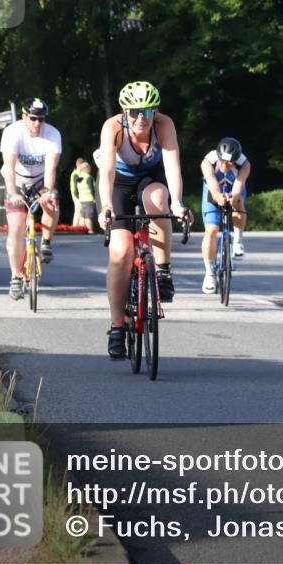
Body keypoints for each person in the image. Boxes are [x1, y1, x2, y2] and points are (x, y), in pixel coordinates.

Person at [98, 80, 190, 359]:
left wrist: (178, 203)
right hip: (119, 185)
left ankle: (162, 270)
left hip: (151, 178)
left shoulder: (164, 125)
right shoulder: (113, 127)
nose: (141, 118)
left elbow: (172, 167)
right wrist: (105, 206)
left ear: (155, 112)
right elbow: (107, 172)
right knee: (121, 253)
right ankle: (117, 326)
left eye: (147, 111)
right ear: (124, 113)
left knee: (160, 202)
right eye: (135, 112)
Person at [0, 98, 61, 300]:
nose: (37, 123)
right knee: (16, 229)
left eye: (41, 119)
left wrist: (48, 192)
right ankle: (15, 277)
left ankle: (46, 242)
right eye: (33, 118)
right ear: (24, 117)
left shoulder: (52, 134)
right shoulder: (12, 132)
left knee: (52, 202)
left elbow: (51, 168)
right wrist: (12, 192)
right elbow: (9, 167)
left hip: (40, 180)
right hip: (16, 181)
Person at [200, 137, 251, 292]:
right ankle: (209, 273)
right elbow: (212, 185)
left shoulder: (244, 164)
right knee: (211, 230)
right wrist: (218, 197)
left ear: (236, 161)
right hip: (213, 190)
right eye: (222, 161)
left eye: (229, 163)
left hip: (232, 188)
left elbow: (238, 188)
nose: (224, 166)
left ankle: (237, 241)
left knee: (238, 203)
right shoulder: (208, 162)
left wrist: (233, 198)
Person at [71, 160, 98, 233]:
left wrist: (78, 196)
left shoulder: (79, 178)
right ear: (87, 168)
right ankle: (90, 230)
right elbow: (92, 189)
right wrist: (95, 198)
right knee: (88, 216)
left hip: (82, 199)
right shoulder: (88, 177)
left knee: (82, 216)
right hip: (89, 199)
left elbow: (76, 189)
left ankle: (81, 230)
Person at [69, 158, 85, 227]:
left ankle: (79, 226)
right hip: (77, 195)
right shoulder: (76, 174)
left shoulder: (77, 173)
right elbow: (76, 185)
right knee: (78, 211)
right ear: (79, 165)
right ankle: (75, 227)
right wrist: (78, 195)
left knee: (80, 212)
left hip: (77, 195)